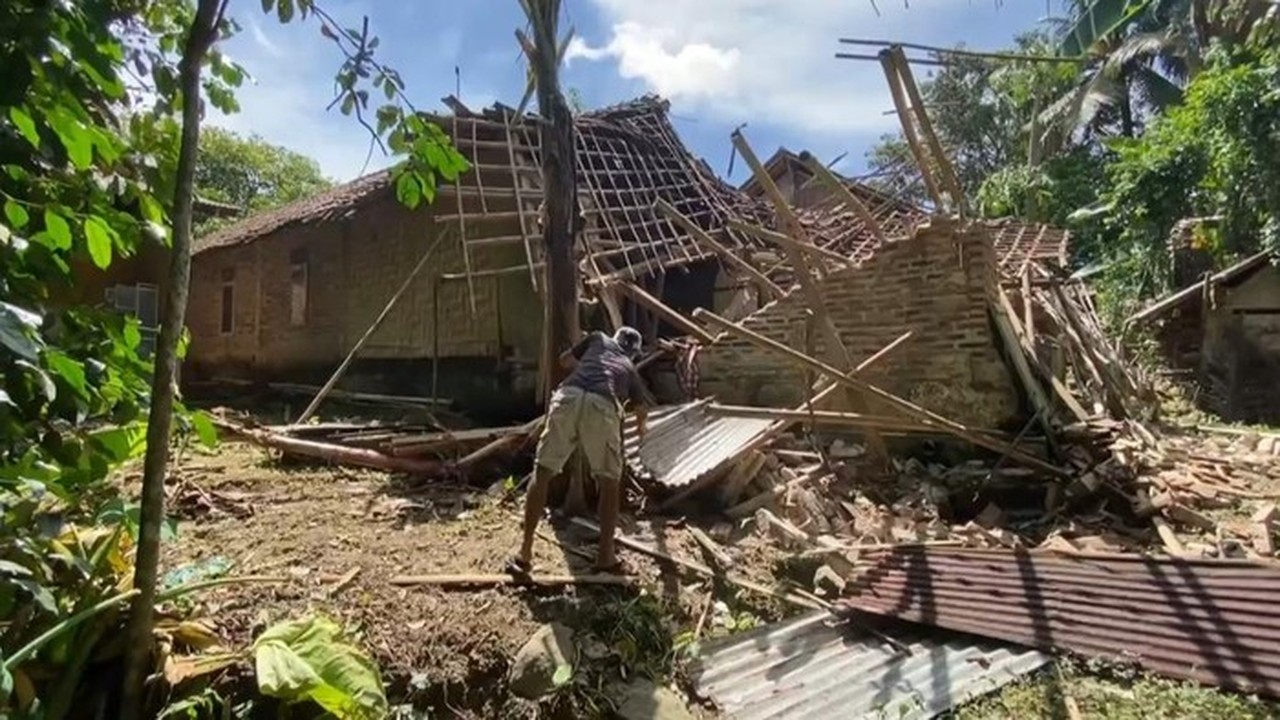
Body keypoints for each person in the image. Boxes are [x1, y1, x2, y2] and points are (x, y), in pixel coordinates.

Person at [509, 326, 653, 576]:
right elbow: (642, 410)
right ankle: (606, 558)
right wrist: (641, 428)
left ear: (615, 338)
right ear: (634, 353)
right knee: (609, 482)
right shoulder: (629, 369)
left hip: (568, 395)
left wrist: (584, 358)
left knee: (542, 473)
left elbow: (564, 360)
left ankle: (524, 555)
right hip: (602, 405)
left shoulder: (597, 339)